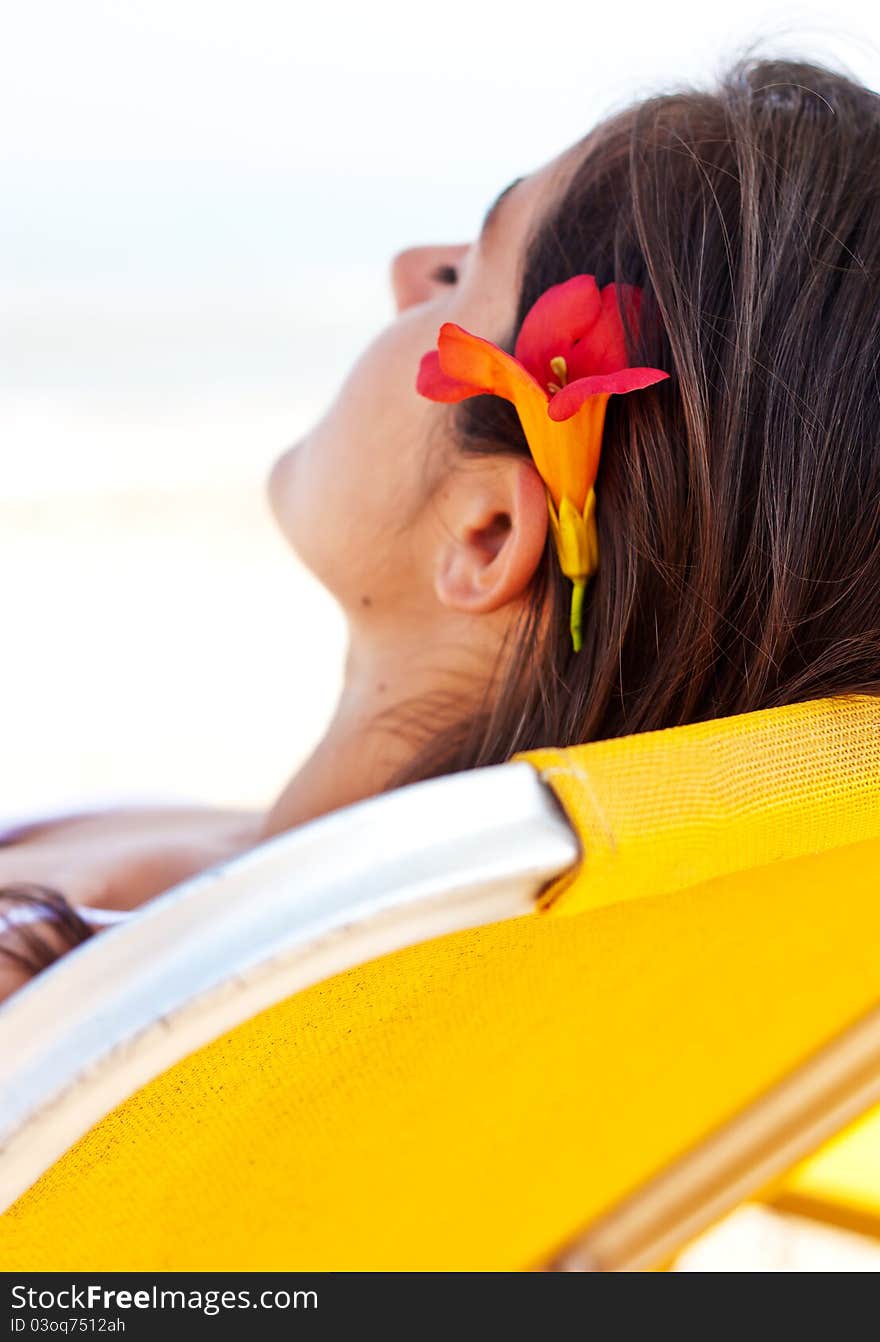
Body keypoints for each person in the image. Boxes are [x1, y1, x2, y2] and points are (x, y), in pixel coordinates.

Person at [3, 51, 880, 1004]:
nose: (408, 268)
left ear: (488, 534)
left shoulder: (59, 979)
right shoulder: (557, 970)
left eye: (464, 271)